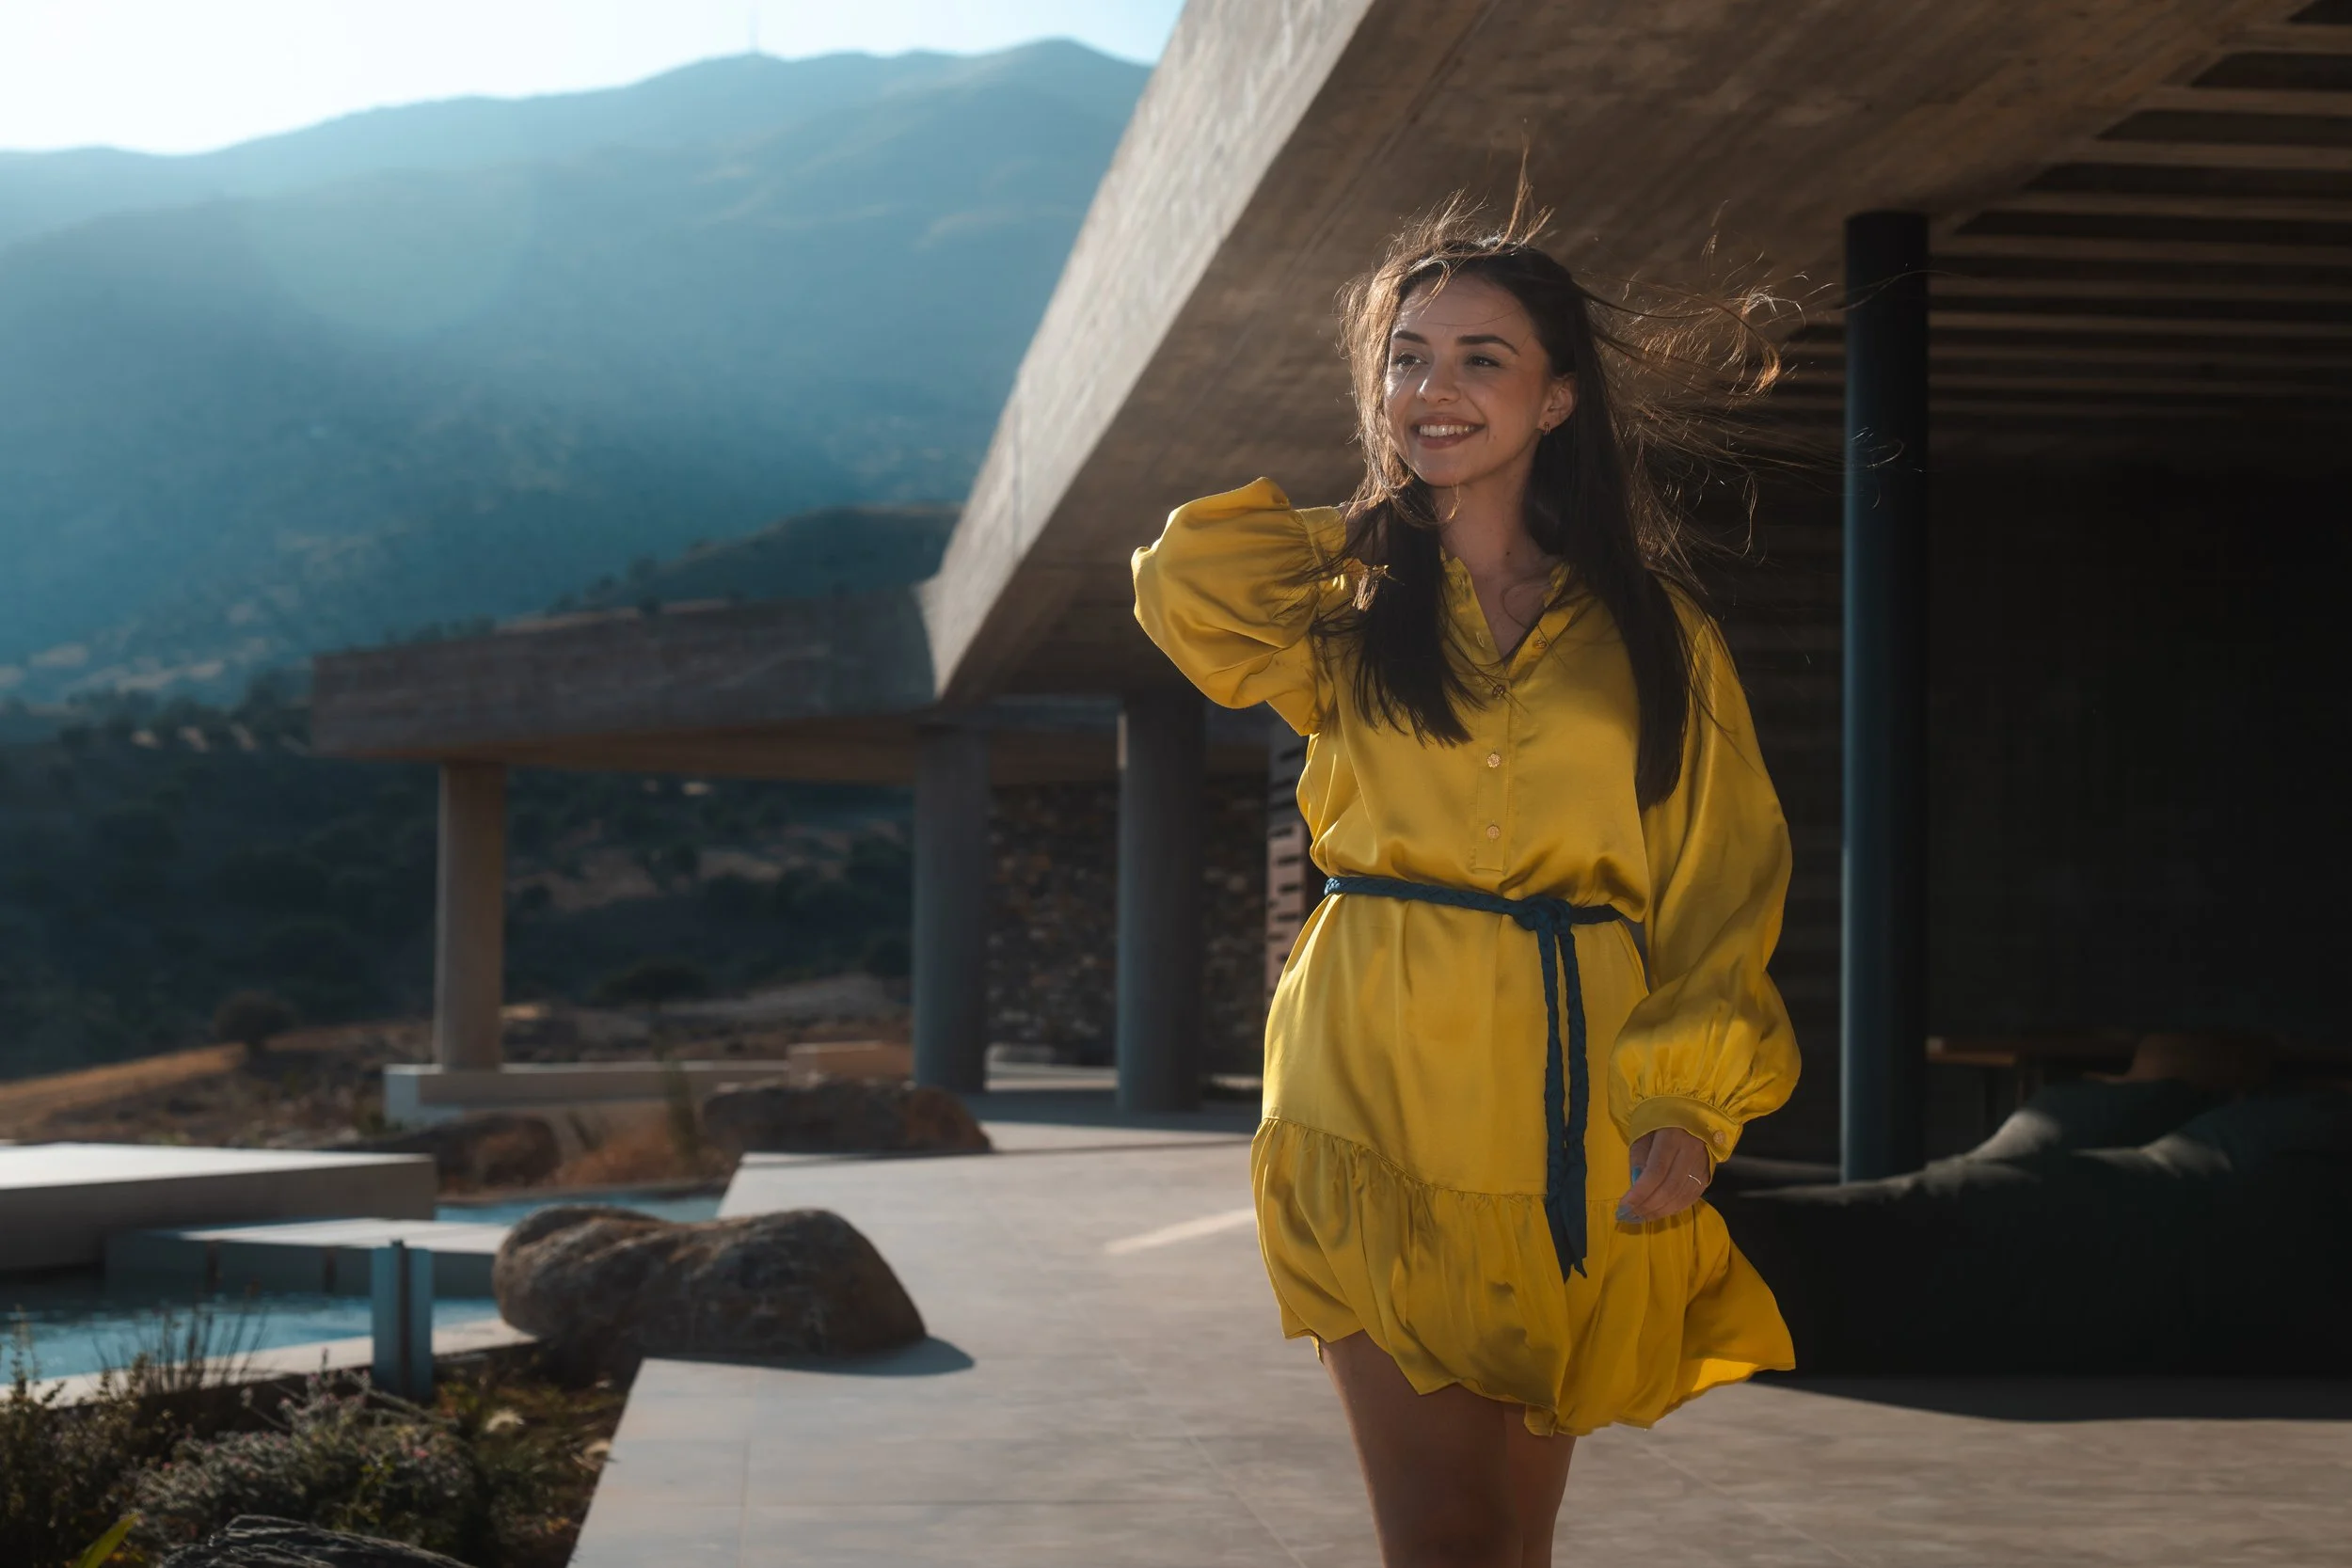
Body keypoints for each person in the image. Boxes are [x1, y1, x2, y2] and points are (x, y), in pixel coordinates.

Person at [1130, 197, 1802, 1568]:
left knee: (1506, 1541)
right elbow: (1184, 581)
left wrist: (1692, 1097)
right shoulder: (1344, 606)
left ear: (1558, 397)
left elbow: (1721, 878)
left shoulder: (1659, 634)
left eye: (1480, 359)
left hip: (1573, 1095)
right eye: (1406, 357)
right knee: (1439, 1534)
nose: (1432, 388)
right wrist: (1383, 517)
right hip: (1370, 1073)